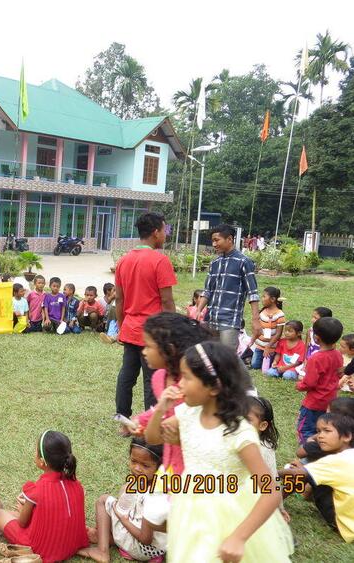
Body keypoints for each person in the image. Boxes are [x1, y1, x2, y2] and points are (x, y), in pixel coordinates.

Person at [151, 342, 293, 562]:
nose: (181, 384)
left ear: (214, 387)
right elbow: (152, 438)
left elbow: (271, 491)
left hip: (230, 516)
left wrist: (238, 537)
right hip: (190, 507)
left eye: (187, 378)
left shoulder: (239, 431)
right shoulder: (188, 412)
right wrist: (161, 407)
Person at [0, 430, 89, 562]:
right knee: (14, 513)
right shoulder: (76, 485)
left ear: (42, 462)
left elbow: (22, 523)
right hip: (71, 543)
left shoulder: (37, 490)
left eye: (36, 451)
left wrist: (23, 511)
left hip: (41, 548)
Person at [114, 212, 176, 418]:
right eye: (164, 231)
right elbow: (167, 301)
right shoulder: (160, 260)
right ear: (155, 232)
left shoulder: (123, 260)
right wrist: (173, 331)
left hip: (130, 328)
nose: (165, 235)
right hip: (153, 332)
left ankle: (123, 419)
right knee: (153, 379)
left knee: (127, 375)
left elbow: (120, 300)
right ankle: (151, 423)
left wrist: (122, 327)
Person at [137, 312, 215, 475]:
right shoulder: (159, 378)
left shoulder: (195, 386)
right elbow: (162, 410)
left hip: (198, 470)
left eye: (148, 346)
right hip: (170, 466)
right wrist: (141, 420)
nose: (143, 351)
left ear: (169, 350)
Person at [79, 439, 168, 562]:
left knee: (103, 500)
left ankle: (102, 551)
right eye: (133, 461)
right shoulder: (162, 485)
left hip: (143, 548)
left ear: (159, 467)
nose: (137, 468)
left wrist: (123, 519)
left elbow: (145, 539)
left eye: (145, 465)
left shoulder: (153, 500)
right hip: (159, 547)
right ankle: (106, 535)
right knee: (126, 491)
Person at [281, 413, 354, 542]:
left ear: (347, 436)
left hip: (347, 527)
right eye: (318, 431)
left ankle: (275, 501)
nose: (320, 436)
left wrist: (267, 472)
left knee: (306, 474)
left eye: (326, 431)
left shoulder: (335, 461)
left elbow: (297, 472)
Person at [195, 224, 260, 350]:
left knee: (227, 360)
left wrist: (255, 320)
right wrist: (198, 310)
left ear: (229, 239)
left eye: (216, 240)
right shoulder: (214, 263)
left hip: (230, 321)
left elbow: (253, 293)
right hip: (211, 319)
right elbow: (207, 291)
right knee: (212, 359)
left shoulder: (244, 262)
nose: (214, 244)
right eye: (212, 241)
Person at [296, 317, 344, 443]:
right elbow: (339, 374)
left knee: (305, 430)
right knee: (322, 430)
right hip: (330, 401)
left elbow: (310, 383)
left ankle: (307, 456)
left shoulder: (315, 358)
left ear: (316, 338)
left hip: (313, 403)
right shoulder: (338, 354)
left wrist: (299, 385)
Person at [247, 396, 289, 522]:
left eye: (247, 421)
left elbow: (272, 478)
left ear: (262, 425)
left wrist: (279, 509)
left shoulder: (264, 449)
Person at [296, 397, 354, 462]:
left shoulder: (322, 445)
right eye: (319, 431)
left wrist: (310, 443)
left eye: (327, 431)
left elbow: (299, 453)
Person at [251, 286, 285, 370]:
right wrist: (253, 340)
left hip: (271, 347)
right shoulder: (262, 312)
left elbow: (278, 334)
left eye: (264, 296)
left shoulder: (279, 314)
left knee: (267, 367)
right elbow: (257, 328)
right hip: (259, 346)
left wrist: (268, 346)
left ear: (273, 299)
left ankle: (275, 358)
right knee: (255, 365)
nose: (262, 299)